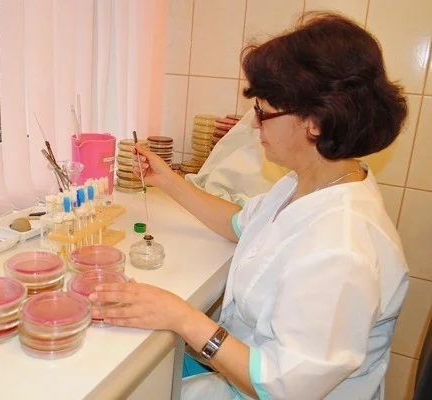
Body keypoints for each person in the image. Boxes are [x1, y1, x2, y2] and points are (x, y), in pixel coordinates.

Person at [90, 12, 410, 400]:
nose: (254, 125)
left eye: (263, 111)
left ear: (315, 122)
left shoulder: (342, 250)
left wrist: (181, 316)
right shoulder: (315, 181)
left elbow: (281, 387)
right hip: (245, 371)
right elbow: (241, 223)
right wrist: (168, 180)